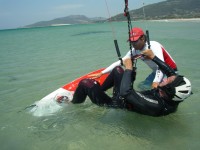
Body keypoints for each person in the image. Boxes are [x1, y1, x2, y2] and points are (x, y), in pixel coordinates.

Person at [70, 49, 192, 116]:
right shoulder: (171, 95)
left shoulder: (157, 106)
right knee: (118, 70)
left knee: (85, 82)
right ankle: (98, 92)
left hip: (117, 104)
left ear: (168, 90)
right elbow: (171, 72)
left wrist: (129, 69)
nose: (165, 78)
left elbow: (125, 93)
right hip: (127, 96)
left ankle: (73, 103)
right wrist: (153, 57)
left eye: (167, 81)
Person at [92, 27, 178, 90]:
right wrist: (102, 73)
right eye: (131, 42)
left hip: (170, 72)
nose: (133, 44)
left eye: (135, 41)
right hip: (156, 72)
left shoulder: (154, 45)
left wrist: (156, 82)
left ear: (143, 38)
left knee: (159, 89)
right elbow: (121, 61)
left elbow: (161, 66)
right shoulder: (135, 51)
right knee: (142, 87)